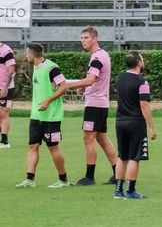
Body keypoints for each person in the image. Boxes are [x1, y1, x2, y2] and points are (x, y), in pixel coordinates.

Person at [38, 26, 117, 186]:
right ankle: (118, 173)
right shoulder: (103, 55)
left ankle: (89, 177)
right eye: (82, 38)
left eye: (86, 38)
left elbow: (90, 80)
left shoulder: (96, 58)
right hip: (101, 103)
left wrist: (68, 86)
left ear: (95, 38)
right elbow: (93, 79)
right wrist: (84, 86)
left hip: (94, 104)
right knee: (101, 138)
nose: (83, 41)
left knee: (88, 139)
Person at [16, 43, 69, 188]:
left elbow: (64, 86)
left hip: (51, 116)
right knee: (33, 145)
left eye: (27, 53)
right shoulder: (35, 67)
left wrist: (48, 101)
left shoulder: (52, 67)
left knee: (53, 147)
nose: (26, 55)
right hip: (36, 115)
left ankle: (63, 180)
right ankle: (29, 179)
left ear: (33, 54)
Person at [113, 52, 157, 200]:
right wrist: (152, 127)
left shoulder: (119, 78)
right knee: (134, 157)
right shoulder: (141, 82)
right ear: (139, 63)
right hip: (135, 122)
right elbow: (144, 105)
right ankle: (130, 191)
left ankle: (118, 190)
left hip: (120, 121)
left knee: (122, 156)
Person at [0, 39, 14, 149]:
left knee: (3, 113)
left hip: (5, 87)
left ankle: (4, 141)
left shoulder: (6, 51)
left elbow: (11, 70)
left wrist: (5, 87)